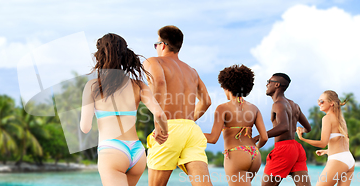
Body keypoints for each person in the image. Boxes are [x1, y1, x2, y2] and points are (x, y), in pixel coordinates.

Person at [80, 33, 169, 186]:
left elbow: (85, 128)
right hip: (137, 152)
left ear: (100, 56)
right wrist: (163, 132)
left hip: (112, 150)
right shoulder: (138, 85)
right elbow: (160, 113)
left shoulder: (93, 86)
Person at [144, 25, 213, 186]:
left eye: (156, 45)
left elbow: (159, 82)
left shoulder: (153, 61)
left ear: (162, 45)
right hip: (192, 130)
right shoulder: (192, 70)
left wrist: (159, 122)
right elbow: (206, 101)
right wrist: (188, 119)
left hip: (168, 127)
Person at [204, 64, 268, 185]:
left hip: (236, 155)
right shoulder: (254, 108)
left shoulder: (222, 108)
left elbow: (212, 138)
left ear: (226, 86)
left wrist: (191, 132)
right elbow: (264, 137)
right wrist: (253, 149)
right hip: (255, 154)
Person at [254, 73, 312, 186]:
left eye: (269, 81)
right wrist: (300, 130)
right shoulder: (294, 105)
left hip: (283, 149)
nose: (267, 84)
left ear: (277, 85)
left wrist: (257, 137)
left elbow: (284, 126)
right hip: (296, 149)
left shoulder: (278, 104)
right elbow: (308, 128)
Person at [297, 90, 355, 186]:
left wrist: (302, 139)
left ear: (331, 103)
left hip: (338, 160)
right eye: (318, 101)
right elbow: (344, 143)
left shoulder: (327, 118)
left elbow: (323, 143)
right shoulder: (341, 120)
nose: (319, 103)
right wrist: (327, 151)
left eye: (322, 101)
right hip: (349, 159)